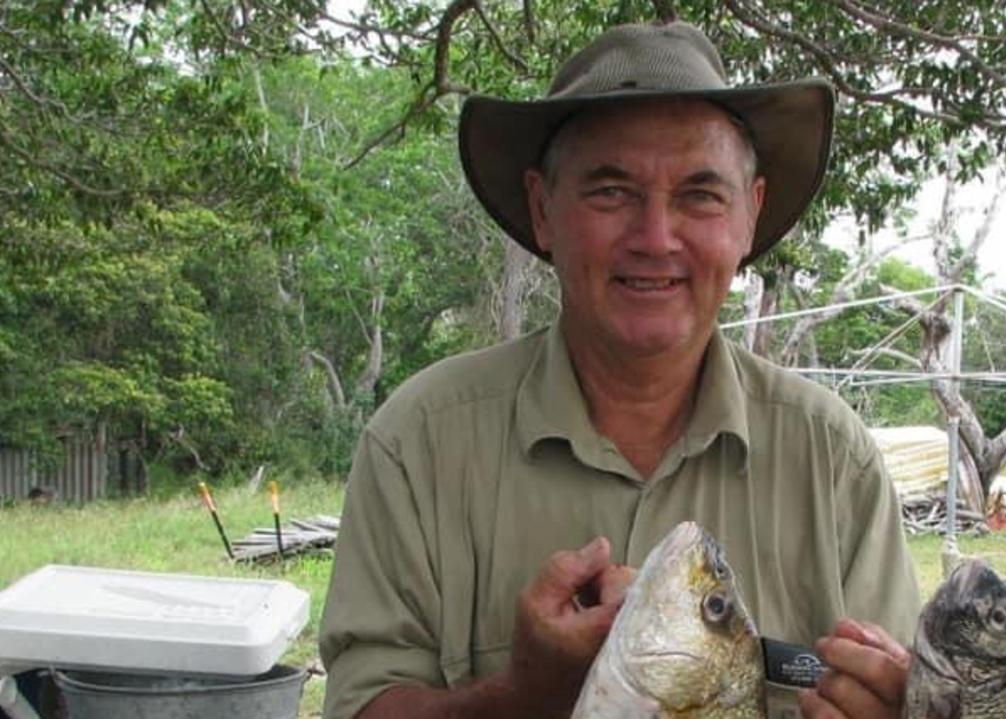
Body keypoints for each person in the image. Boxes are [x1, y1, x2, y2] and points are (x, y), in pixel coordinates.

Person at [319, 20, 921, 719]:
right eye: (611, 191)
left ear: (748, 215)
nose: (655, 238)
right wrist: (523, 695)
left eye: (700, 194)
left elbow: (894, 680)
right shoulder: (418, 442)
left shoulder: (832, 458)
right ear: (544, 210)